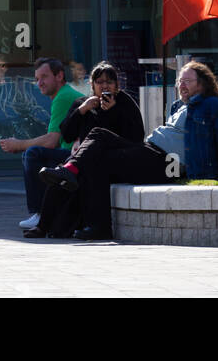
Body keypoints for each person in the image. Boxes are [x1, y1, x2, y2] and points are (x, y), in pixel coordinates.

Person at [39, 61, 218, 241]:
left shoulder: (213, 106)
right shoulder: (178, 106)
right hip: (149, 151)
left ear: (202, 84)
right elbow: (65, 133)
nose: (181, 85)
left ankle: (71, 170)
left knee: (99, 135)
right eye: (179, 81)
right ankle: (97, 226)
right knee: (97, 160)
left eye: (188, 81)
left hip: (166, 162)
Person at [26, 61, 145, 239]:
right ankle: (43, 226)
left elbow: (136, 136)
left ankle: (95, 226)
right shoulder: (82, 104)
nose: (105, 86)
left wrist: (112, 111)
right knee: (59, 178)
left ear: (116, 85)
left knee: (89, 172)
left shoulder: (124, 102)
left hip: (116, 158)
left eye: (109, 82)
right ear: (92, 85)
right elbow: (66, 134)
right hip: (84, 160)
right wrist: (82, 110)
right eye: (100, 82)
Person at [0, 56, 83, 234]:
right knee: (32, 154)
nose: (39, 83)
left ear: (59, 76)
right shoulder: (64, 94)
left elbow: (52, 140)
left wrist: (18, 144)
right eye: (37, 79)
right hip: (73, 154)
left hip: (76, 157)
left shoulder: (63, 96)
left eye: (44, 77)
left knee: (32, 154)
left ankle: (39, 213)